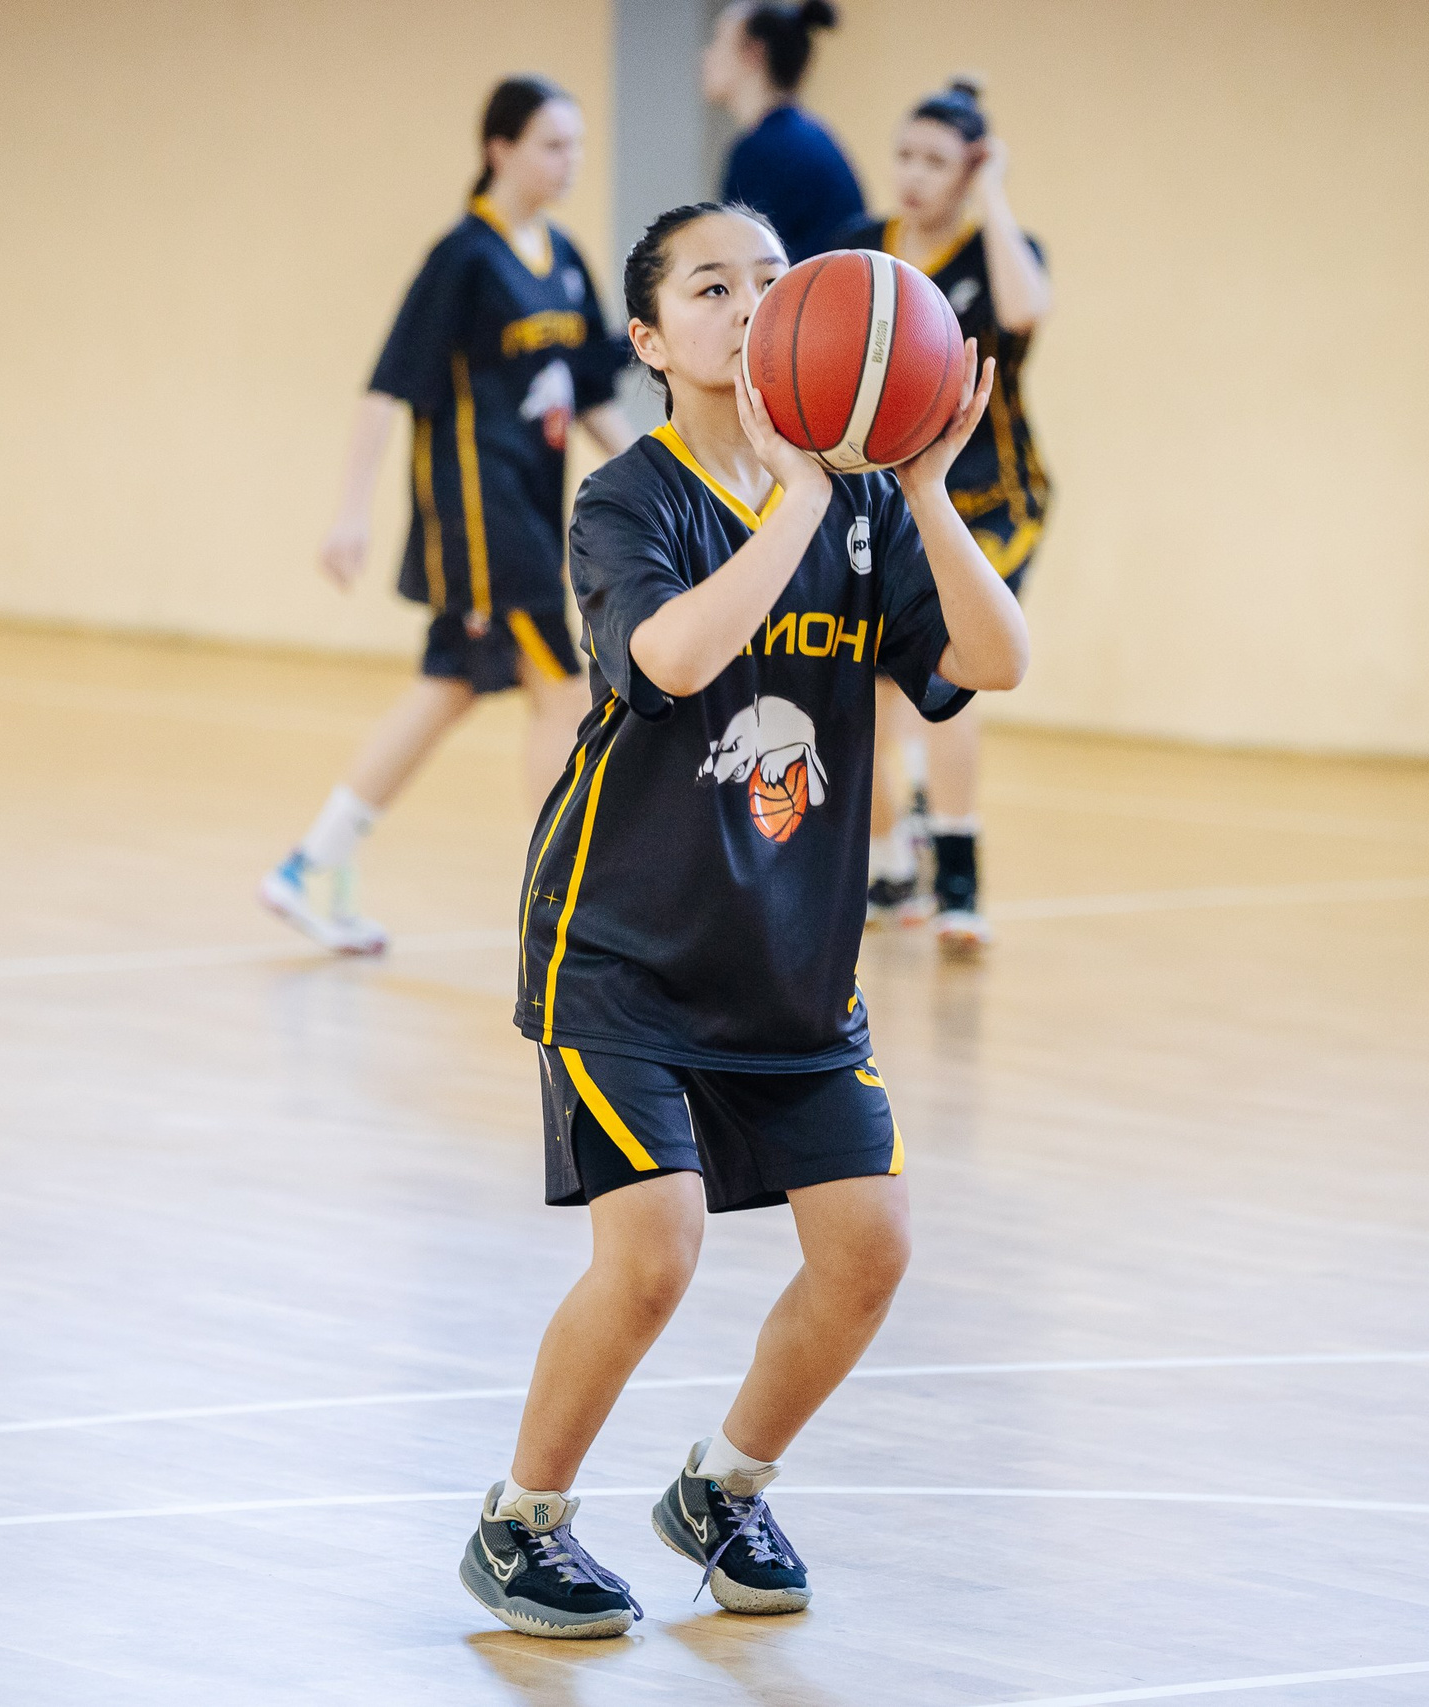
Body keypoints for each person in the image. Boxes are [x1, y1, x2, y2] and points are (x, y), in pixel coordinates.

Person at [459, 202, 1027, 1639]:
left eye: (772, 280)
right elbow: (670, 653)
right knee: (652, 1253)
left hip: (790, 961)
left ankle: (724, 1487)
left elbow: (997, 657)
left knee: (870, 1245)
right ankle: (520, 1524)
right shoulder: (626, 499)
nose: (752, 303)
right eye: (712, 287)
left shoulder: (867, 503)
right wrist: (798, 501)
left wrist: (931, 488)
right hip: (624, 951)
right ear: (652, 339)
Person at [261, 76, 633, 954]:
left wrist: (665, 478)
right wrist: (350, 512)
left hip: (534, 514)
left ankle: (312, 864)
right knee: (567, 689)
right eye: (551, 144)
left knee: (449, 688)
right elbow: (389, 387)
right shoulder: (462, 259)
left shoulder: (567, 260)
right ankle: (567, 900)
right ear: (498, 149)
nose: (568, 161)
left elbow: (587, 399)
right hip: (479, 516)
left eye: (577, 145)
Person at [836, 79, 1051, 949]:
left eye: (939, 161)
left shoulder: (1002, 248)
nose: (916, 176)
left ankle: (959, 871)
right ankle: (892, 861)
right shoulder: (863, 250)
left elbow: (1027, 312)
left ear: (969, 170)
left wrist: (993, 193)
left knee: (954, 678)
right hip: (889, 495)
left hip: (988, 497)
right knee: (883, 684)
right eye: (906, 156)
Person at [703, 2, 864, 263]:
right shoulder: (803, 137)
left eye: (718, 41)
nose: (706, 55)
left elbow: (744, 267)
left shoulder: (765, 152)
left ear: (754, 52)